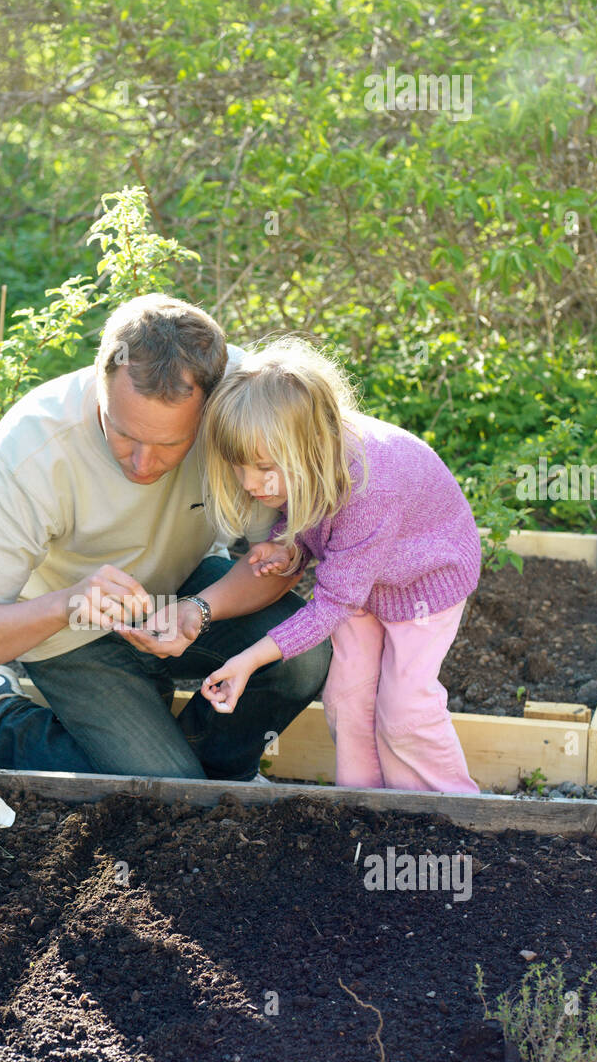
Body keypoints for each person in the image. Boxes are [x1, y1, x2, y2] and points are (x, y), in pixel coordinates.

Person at [0, 296, 331, 781]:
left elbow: (281, 561)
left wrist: (196, 611)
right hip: (66, 629)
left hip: (182, 584)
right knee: (165, 791)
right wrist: (69, 604)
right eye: (122, 435)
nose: (142, 464)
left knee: (303, 656)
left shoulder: (245, 401)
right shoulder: (32, 449)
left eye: (169, 445)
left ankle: (219, 776)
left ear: (210, 411)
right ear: (100, 383)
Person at [196, 336, 482, 795]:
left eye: (264, 467)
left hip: (422, 586)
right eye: (239, 467)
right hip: (359, 582)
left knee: (404, 710)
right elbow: (316, 516)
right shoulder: (309, 458)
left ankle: (445, 813)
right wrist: (290, 546)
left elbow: (330, 605)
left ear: (309, 445)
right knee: (347, 699)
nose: (250, 483)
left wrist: (248, 660)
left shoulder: (373, 483)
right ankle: (363, 804)